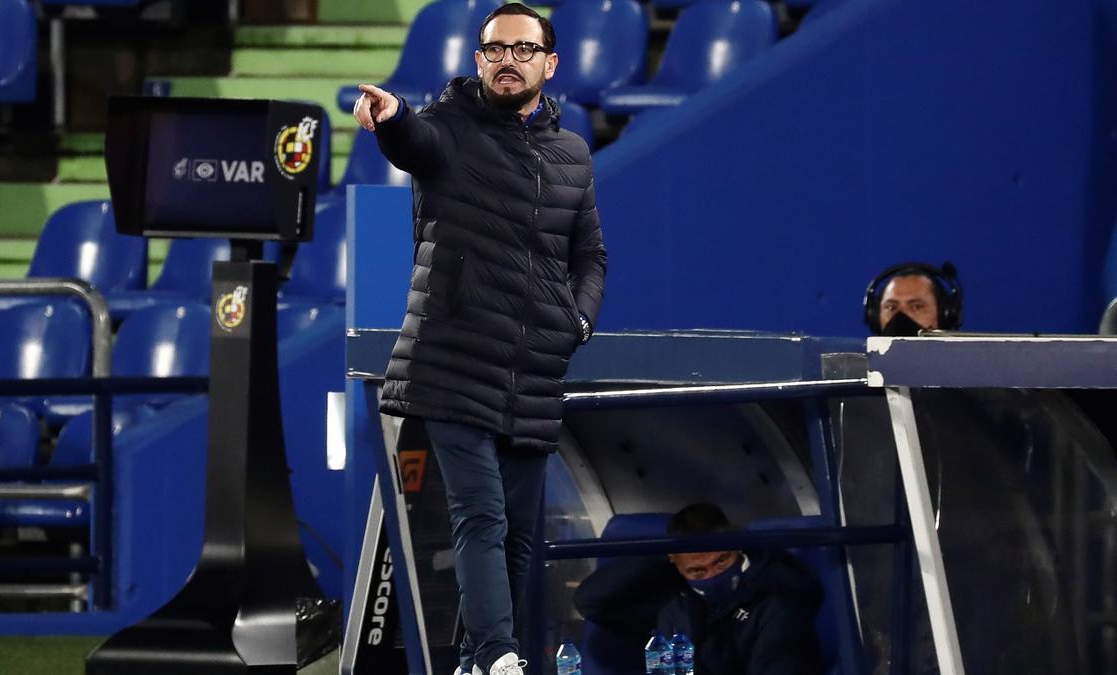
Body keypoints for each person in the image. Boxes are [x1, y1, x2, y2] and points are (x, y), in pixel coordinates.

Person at [352, 3, 607, 675]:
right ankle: (499, 657)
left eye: (524, 50)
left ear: (549, 65)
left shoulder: (573, 154)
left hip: (533, 366)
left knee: (521, 534)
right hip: (452, 357)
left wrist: (574, 322)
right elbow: (413, 141)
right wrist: (391, 116)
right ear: (478, 61)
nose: (507, 60)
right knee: (481, 517)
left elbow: (591, 256)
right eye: (495, 49)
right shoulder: (446, 127)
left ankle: (472, 660)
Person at [574, 504, 823, 675]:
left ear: (736, 545)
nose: (713, 575)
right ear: (676, 564)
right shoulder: (674, 600)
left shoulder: (776, 597)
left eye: (721, 561)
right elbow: (592, 601)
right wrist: (665, 554)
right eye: (697, 571)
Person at [862, 262, 963, 336]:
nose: (901, 315)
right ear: (875, 316)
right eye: (891, 307)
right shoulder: (852, 363)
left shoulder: (970, 364)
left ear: (945, 314)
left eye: (916, 307)